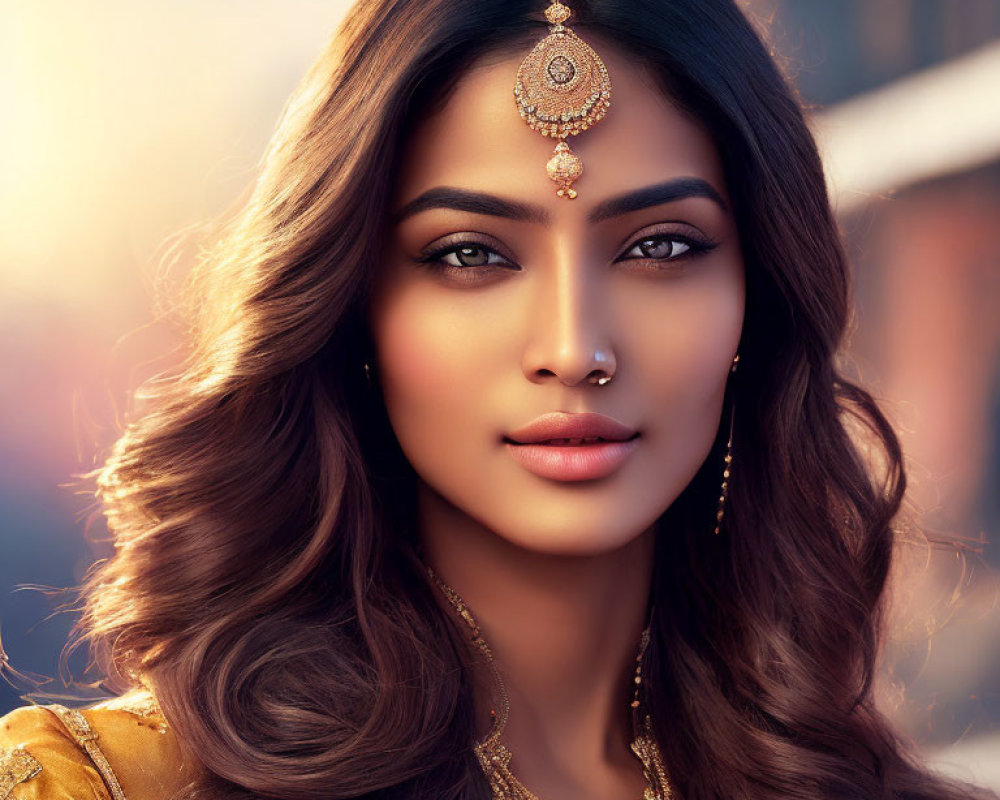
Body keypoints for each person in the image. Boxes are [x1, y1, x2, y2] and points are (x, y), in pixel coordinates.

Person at [0, 0, 995, 798]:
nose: (574, 348)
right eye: (469, 254)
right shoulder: (109, 781)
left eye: (658, 247)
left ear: (759, 304)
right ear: (351, 312)